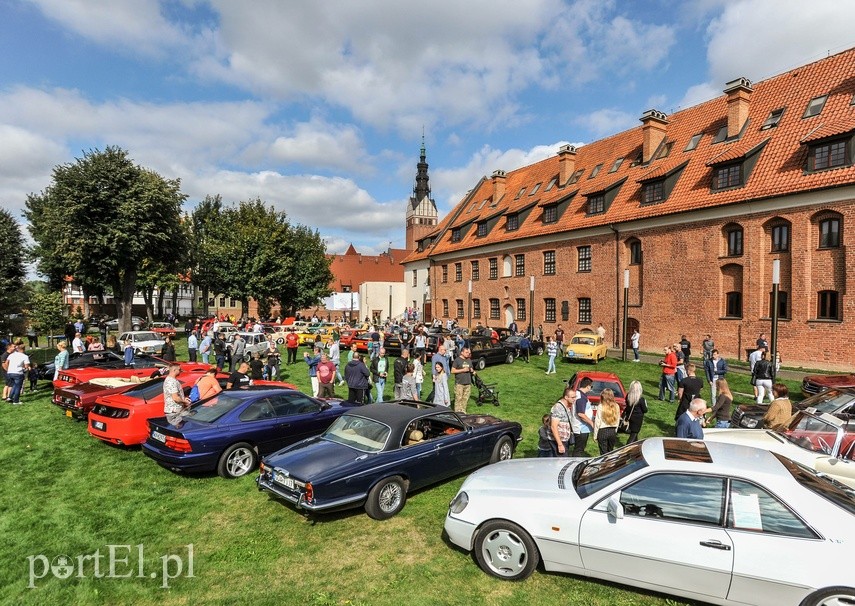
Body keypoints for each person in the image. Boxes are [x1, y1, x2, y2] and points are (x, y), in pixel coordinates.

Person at [548, 387, 575, 457]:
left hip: (564, 440)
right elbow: (553, 426)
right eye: (572, 397)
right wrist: (560, 444)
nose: (574, 399)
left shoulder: (566, 406)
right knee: (560, 463)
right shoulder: (558, 407)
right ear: (566, 397)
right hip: (559, 441)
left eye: (575, 397)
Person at [571, 378, 594, 456]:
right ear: (587, 386)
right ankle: (575, 465)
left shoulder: (579, 394)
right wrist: (591, 423)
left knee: (579, 448)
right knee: (579, 449)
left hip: (582, 428)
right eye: (591, 386)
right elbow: (580, 414)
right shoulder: (580, 397)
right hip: (581, 428)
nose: (591, 388)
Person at [594, 388, 620, 454]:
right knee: (610, 452)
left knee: (603, 453)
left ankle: (604, 464)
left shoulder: (601, 406)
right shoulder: (616, 406)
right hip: (612, 430)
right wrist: (615, 430)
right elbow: (618, 420)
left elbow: (597, 421)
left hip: (602, 431)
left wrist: (595, 435)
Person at [451, 347, 473, 413]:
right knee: (458, 399)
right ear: (462, 352)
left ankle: (463, 412)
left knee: (465, 399)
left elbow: (471, 368)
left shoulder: (469, 360)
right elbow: (452, 371)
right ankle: (458, 413)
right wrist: (462, 370)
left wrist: (471, 370)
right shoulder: (457, 360)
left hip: (468, 383)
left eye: (468, 353)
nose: (468, 354)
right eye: (466, 352)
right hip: (459, 383)